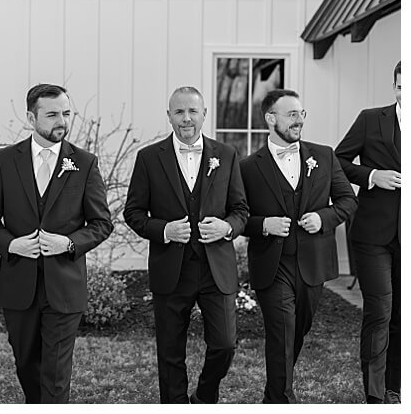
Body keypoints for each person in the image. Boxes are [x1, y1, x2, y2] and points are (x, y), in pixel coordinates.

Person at [0, 83, 112, 403]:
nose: (61, 121)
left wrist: (68, 243)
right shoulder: (6, 160)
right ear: (30, 117)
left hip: (64, 285)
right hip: (18, 284)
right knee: (26, 364)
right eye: (52, 115)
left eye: (66, 113)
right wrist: (11, 245)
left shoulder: (84, 162)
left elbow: (102, 223)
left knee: (55, 371)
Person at [123, 86, 248, 403]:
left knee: (225, 344)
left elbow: (241, 211)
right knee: (170, 350)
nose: (186, 118)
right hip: (171, 268)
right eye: (179, 111)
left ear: (204, 114)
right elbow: (133, 213)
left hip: (215, 268)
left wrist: (227, 227)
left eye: (193, 111)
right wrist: (164, 230)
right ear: (169, 116)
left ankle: (205, 396)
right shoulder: (149, 158)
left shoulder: (227, 154)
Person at [239, 89, 356, 403]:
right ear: (270, 118)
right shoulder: (248, 167)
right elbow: (236, 216)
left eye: (301, 114)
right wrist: (263, 224)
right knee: (282, 330)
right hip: (272, 263)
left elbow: (347, 201)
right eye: (292, 114)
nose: (299, 120)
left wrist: (323, 217)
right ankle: (283, 400)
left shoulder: (324, 155)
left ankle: (273, 393)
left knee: (296, 331)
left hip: (312, 262)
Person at [335, 61, 402, 404]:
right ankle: (375, 395)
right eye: (402, 85)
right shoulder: (370, 118)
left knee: (402, 313)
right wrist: (373, 176)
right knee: (380, 310)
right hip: (374, 233)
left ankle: (396, 386)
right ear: (395, 86)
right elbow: (340, 160)